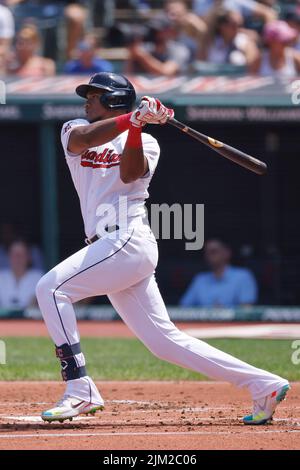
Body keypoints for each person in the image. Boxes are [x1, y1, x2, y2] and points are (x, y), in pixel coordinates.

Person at [36, 71, 289, 426]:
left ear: (115, 100)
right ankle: (264, 383)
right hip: (110, 246)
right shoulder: (74, 128)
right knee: (163, 342)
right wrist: (133, 118)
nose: (87, 100)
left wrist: (137, 127)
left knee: (50, 289)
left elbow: (129, 174)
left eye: (95, 95)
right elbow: (83, 140)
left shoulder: (148, 142)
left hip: (126, 239)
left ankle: (79, 388)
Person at [180, 239, 258, 307]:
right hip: (203, 324)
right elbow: (184, 308)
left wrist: (222, 313)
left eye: (214, 251)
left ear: (227, 253)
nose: (209, 255)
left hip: (232, 324)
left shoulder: (243, 276)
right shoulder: (200, 279)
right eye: (207, 252)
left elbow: (247, 310)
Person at [125, 16, 191, 76]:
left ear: (168, 31)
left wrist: (142, 56)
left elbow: (166, 72)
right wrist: (133, 54)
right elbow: (128, 75)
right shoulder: (145, 48)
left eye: (158, 30)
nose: (154, 33)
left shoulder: (179, 50)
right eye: (153, 30)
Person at [0, 240, 43, 309]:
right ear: (9, 256)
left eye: (21, 255)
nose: (17, 258)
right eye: (14, 254)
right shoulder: (1, 276)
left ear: (28, 257)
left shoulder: (38, 277)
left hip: (30, 319)